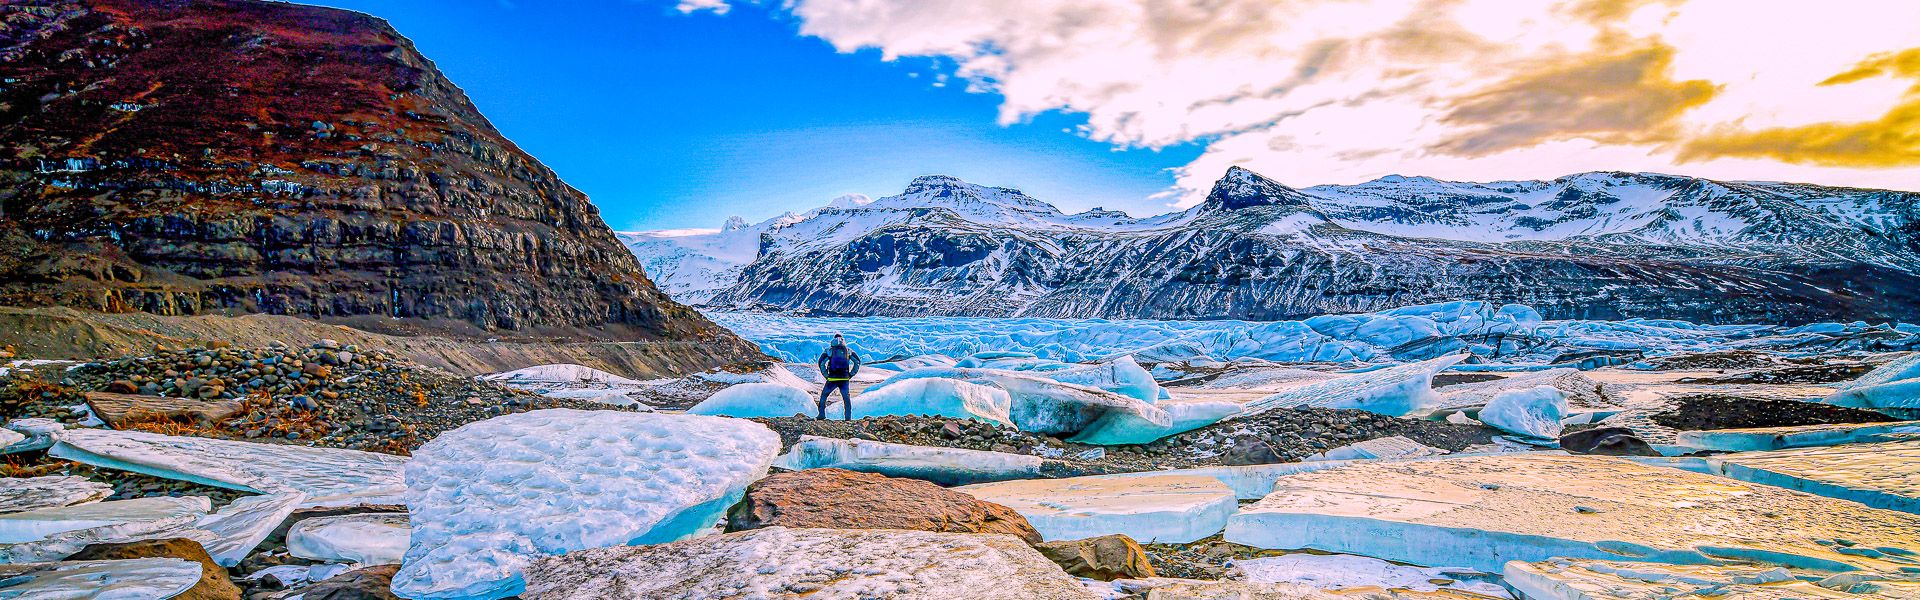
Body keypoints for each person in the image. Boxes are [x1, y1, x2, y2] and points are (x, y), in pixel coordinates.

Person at [815, 334, 861, 420]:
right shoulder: (848, 350)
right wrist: (851, 374)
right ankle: (848, 418)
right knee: (846, 398)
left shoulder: (829, 350)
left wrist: (826, 375)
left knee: (824, 395)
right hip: (844, 378)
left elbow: (821, 362)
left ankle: (821, 415)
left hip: (832, 378)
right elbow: (857, 361)